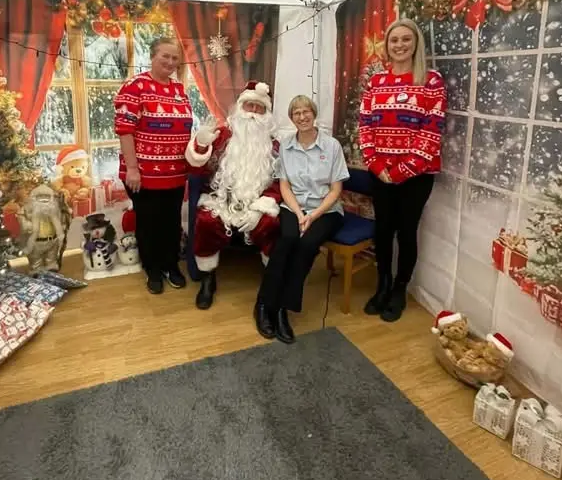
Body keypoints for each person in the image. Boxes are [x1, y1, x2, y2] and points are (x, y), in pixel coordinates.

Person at [358, 18, 445, 322]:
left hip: (416, 177)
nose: (399, 45)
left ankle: (399, 289)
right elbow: (365, 125)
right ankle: (381, 284)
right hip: (380, 173)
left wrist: (403, 169)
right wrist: (377, 164)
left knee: (406, 233)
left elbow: (432, 131)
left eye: (406, 39)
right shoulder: (376, 82)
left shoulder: (431, 80)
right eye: (394, 40)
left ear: (415, 43)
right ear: (387, 44)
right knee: (383, 231)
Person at [256, 95, 348, 344]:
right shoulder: (285, 146)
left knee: (307, 246)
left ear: (314, 113)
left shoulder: (332, 146)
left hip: (325, 210)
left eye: (306, 111)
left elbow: (336, 190)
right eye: (296, 113)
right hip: (293, 206)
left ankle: (283, 309)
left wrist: (313, 216)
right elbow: (284, 185)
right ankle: (265, 304)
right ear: (291, 118)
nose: (302, 116)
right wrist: (299, 214)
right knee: (286, 239)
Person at [186, 81, 280, 310]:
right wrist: (200, 145)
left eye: (260, 109)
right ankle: (208, 279)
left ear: (267, 114)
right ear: (240, 108)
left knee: (271, 224)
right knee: (206, 222)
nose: (253, 114)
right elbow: (197, 170)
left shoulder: (273, 145)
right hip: (221, 201)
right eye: (250, 106)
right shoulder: (223, 135)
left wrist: (262, 206)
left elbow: (280, 182)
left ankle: (271, 279)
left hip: (255, 205)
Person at [113, 37, 193, 294]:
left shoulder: (179, 90)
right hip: (144, 174)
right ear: (152, 56)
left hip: (176, 173)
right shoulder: (135, 86)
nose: (170, 62)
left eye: (174, 58)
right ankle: (153, 269)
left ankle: (171, 265)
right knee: (148, 223)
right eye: (165, 56)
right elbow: (125, 130)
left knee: (171, 222)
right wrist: (133, 169)